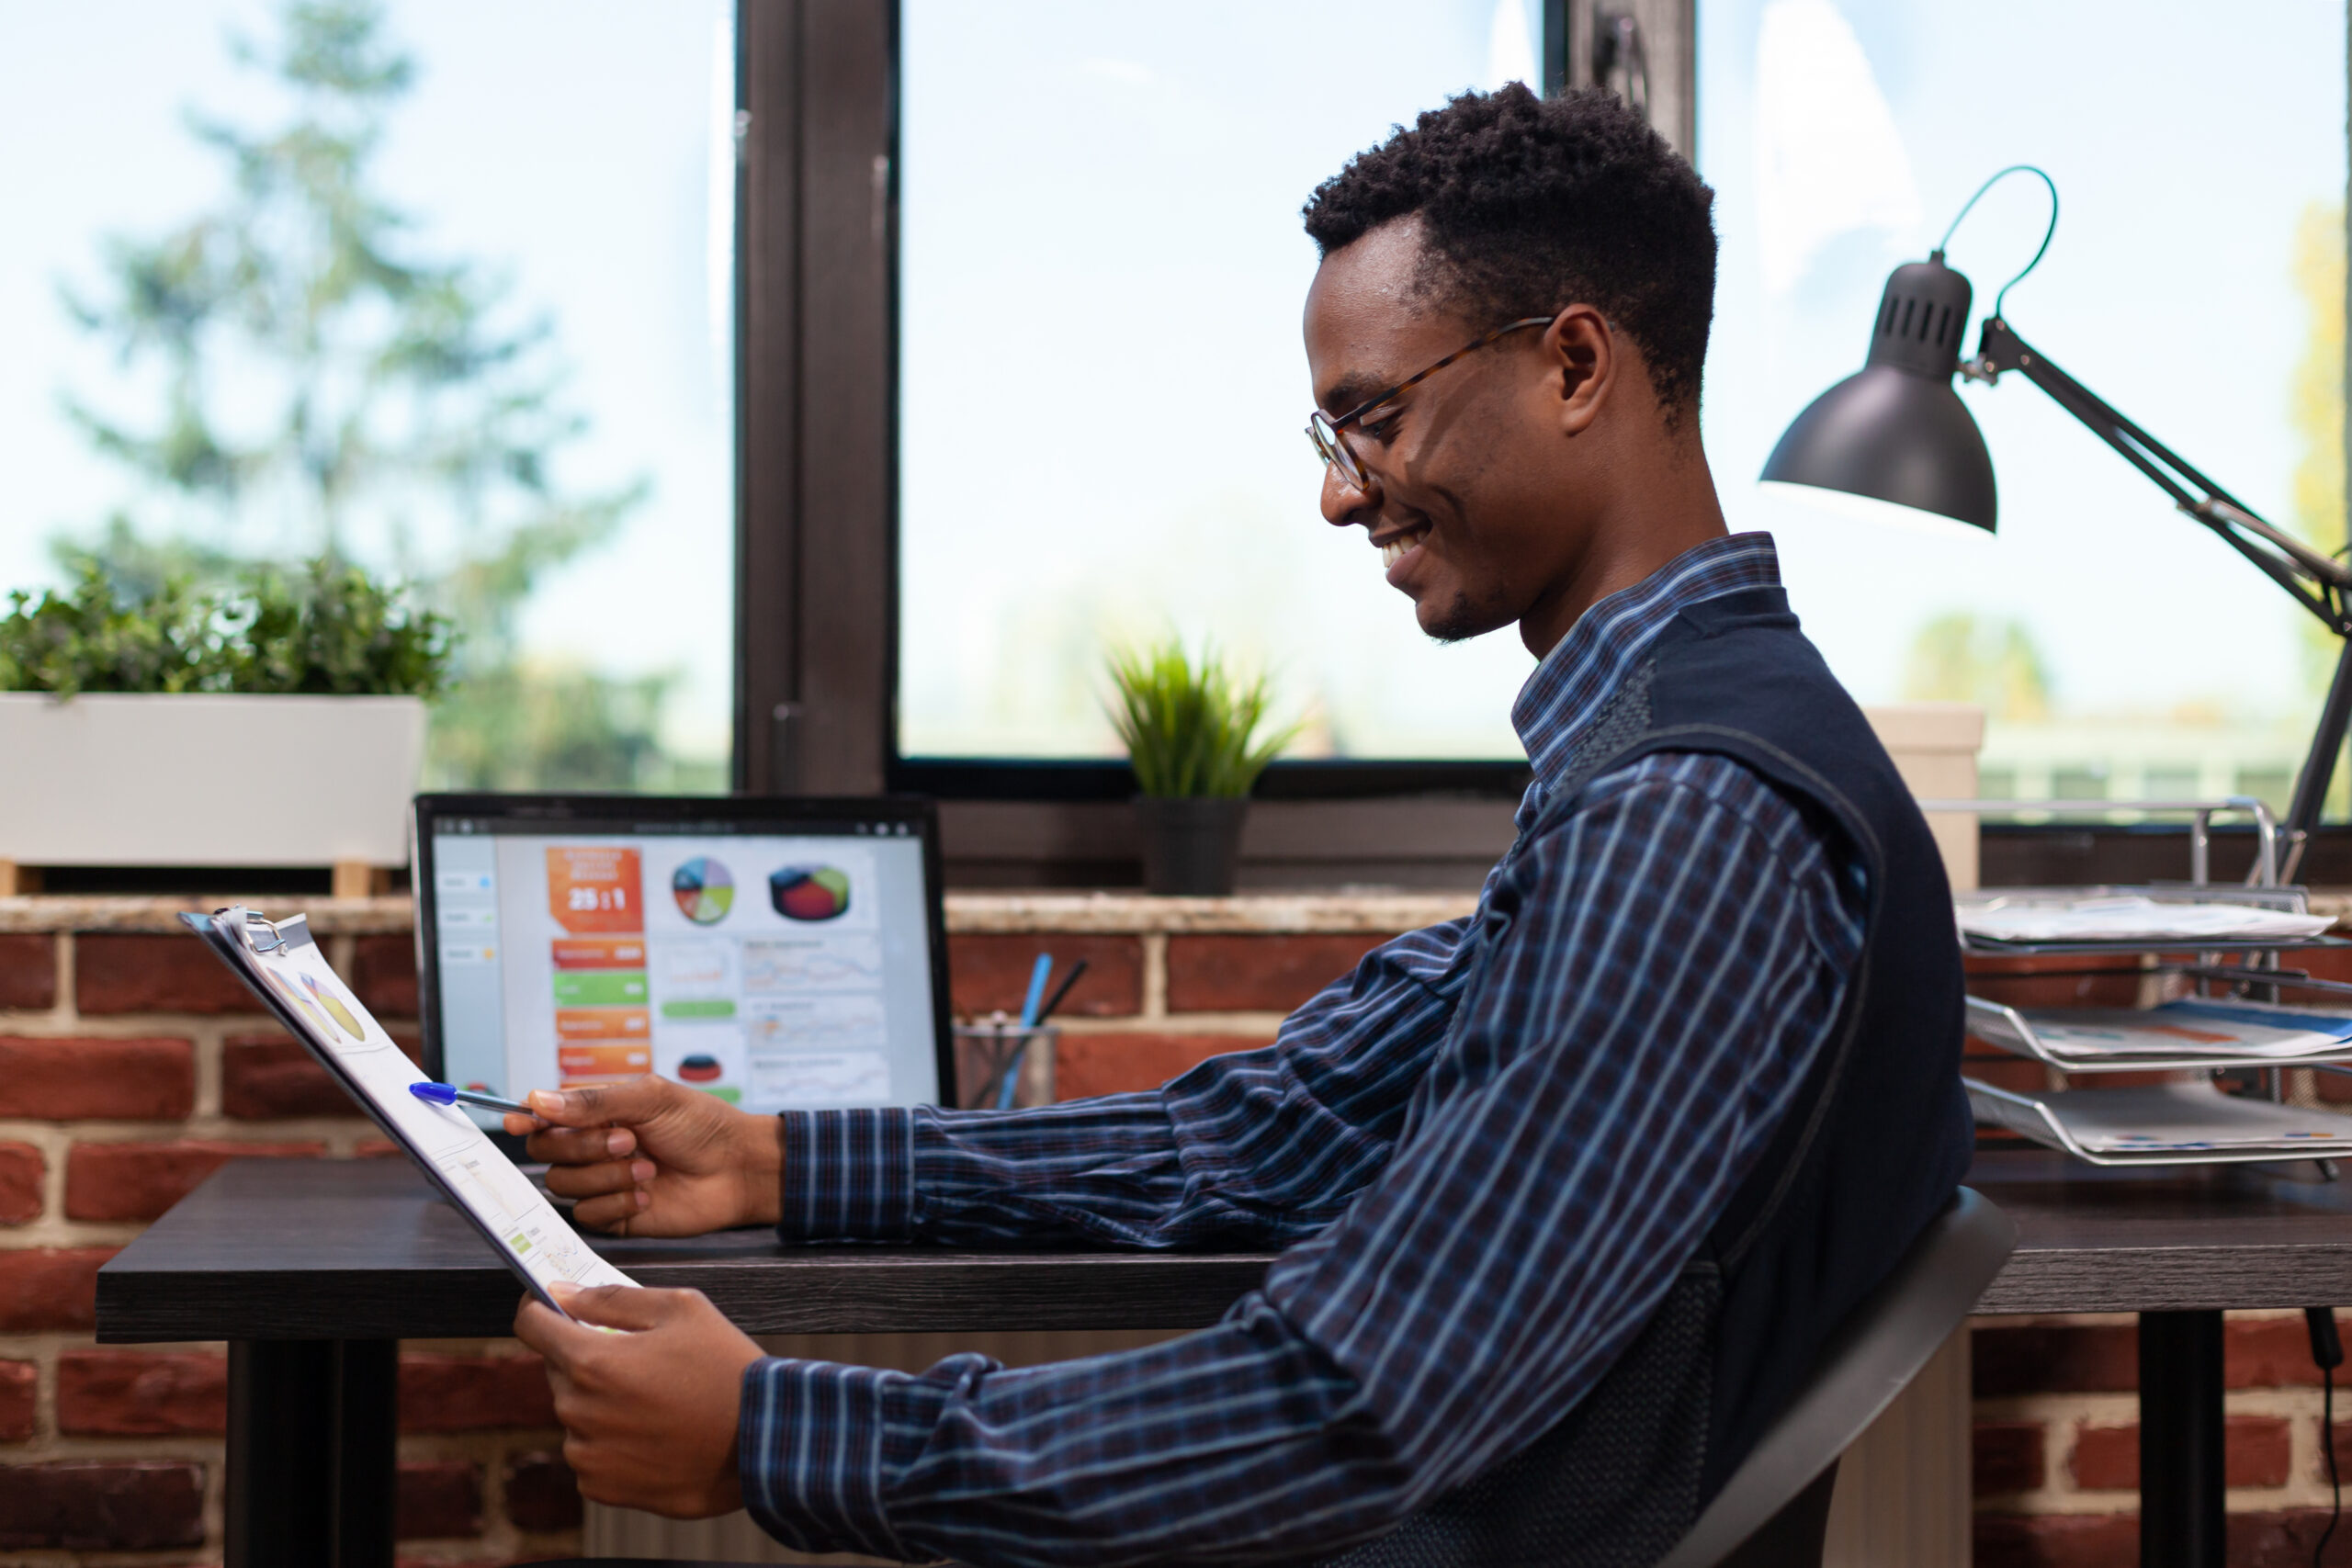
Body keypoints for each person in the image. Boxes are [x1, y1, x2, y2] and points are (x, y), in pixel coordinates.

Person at [508, 83, 1973, 1565]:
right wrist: (777, 1165)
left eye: (1375, 418)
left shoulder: (1691, 815)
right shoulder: (1657, 762)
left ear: (1575, 363)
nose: (1339, 496)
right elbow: (1271, 1137)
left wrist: (779, 1436)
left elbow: (1357, 1403)